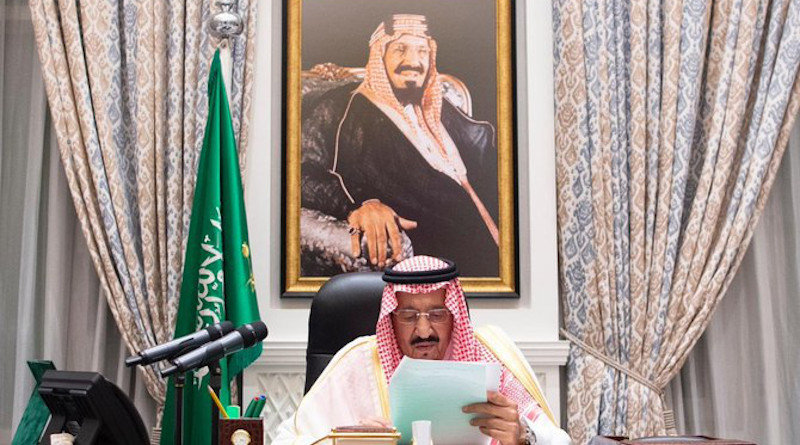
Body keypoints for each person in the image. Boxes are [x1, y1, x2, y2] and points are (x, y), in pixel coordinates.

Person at [273, 256, 572, 445]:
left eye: (438, 314)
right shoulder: (359, 364)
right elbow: (287, 440)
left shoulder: (489, 358)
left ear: (455, 314)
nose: (424, 331)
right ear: (390, 318)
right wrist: (349, 440)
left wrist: (524, 438)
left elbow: (559, 441)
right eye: (408, 316)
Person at [301, 14, 499, 276]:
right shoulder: (340, 107)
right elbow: (300, 174)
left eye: (422, 51)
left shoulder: (444, 110)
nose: (413, 62)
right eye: (400, 49)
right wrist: (361, 205)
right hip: (434, 259)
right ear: (379, 55)